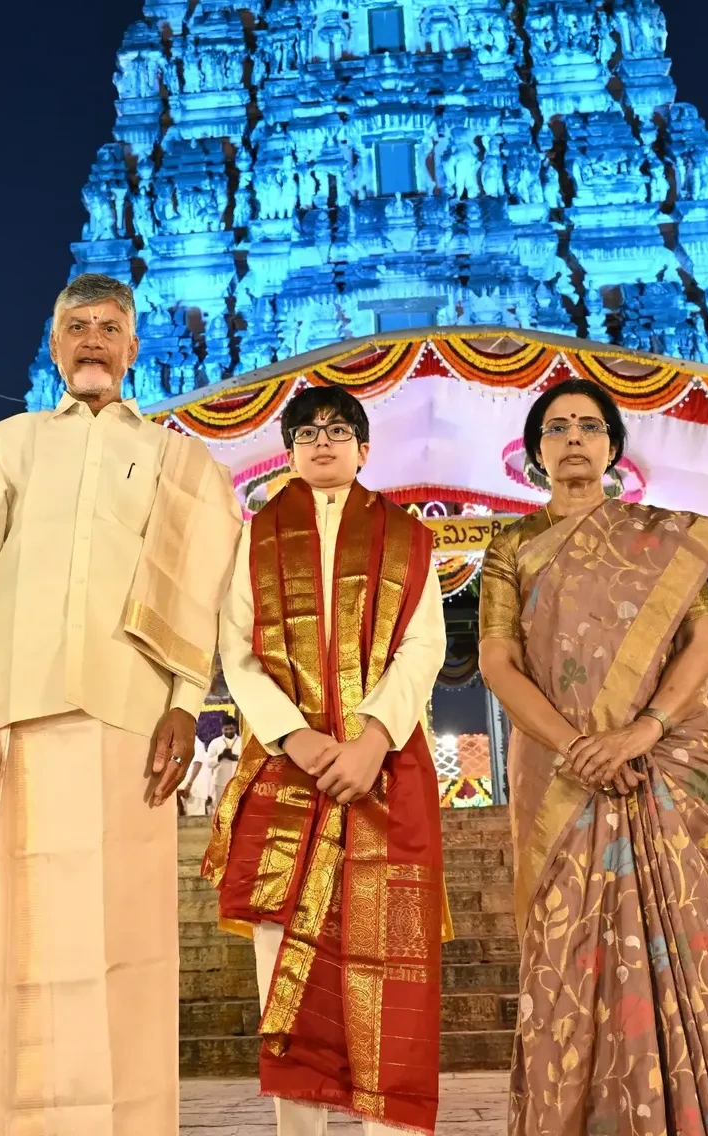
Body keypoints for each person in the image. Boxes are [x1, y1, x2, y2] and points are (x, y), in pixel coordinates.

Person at [0, 273, 242, 1136]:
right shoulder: (12, 441)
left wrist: (186, 702)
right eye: (78, 326)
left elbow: (200, 587)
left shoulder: (179, 459)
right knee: (6, 935)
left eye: (110, 326)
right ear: (57, 346)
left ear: (134, 347)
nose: (94, 338)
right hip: (12, 716)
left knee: (125, 946)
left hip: (128, 718)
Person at [478, 377, 708, 1136]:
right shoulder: (510, 545)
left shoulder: (665, 539)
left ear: (613, 447)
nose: (574, 437)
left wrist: (640, 730)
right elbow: (496, 661)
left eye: (589, 425)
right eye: (557, 427)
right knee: (562, 960)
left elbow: (707, 640)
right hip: (560, 777)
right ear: (535, 453)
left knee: (698, 946)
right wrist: (581, 746)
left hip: (664, 766)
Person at [202, 385, 449, 1136]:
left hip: (388, 776)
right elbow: (236, 653)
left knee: (394, 966)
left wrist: (373, 737)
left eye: (339, 430)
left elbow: (424, 645)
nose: (322, 442)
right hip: (286, 780)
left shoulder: (410, 535)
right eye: (306, 432)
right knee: (286, 972)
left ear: (365, 449)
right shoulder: (256, 534)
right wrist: (296, 738)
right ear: (289, 450)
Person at [206, 713, 242, 812]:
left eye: (231, 728)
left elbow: (248, 760)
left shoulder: (242, 741)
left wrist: (236, 758)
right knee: (219, 809)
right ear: (222, 729)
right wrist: (221, 756)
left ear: (235, 727)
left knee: (237, 809)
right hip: (219, 782)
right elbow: (208, 763)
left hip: (238, 781)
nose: (229, 731)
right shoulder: (215, 743)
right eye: (226, 729)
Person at [178, 734, 211, 817]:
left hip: (195, 789)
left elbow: (198, 763)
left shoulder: (197, 743)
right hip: (186, 788)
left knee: (196, 821)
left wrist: (189, 784)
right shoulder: (185, 743)